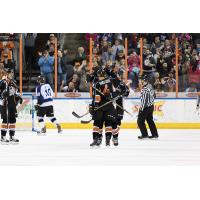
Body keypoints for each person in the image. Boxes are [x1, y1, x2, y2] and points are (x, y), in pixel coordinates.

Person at [0, 69, 23, 144]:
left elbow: (14, 93)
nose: (12, 74)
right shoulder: (3, 82)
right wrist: (2, 95)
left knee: (13, 120)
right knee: (5, 120)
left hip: (12, 103)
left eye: (13, 72)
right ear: (7, 73)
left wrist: (18, 97)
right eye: (10, 73)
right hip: (5, 103)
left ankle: (11, 136)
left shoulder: (14, 82)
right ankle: (3, 137)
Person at [137, 74, 158, 139]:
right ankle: (155, 134)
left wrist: (141, 109)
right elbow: (154, 96)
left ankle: (144, 134)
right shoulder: (150, 86)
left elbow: (144, 101)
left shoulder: (145, 89)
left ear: (143, 81)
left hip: (145, 108)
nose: (139, 82)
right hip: (151, 106)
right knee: (150, 120)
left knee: (140, 121)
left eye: (140, 80)